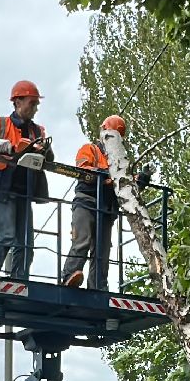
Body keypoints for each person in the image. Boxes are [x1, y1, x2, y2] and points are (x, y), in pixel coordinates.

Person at [0, 80, 52, 280]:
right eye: (32, 103)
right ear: (17, 102)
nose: (35, 108)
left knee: (26, 243)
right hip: (3, 188)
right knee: (4, 236)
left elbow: (50, 160)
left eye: (36, 104)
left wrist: (44, 151)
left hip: (25, 190)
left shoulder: (38, 131)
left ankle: (19, 280)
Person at [61, 115, 127, 289]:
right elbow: (83, 169)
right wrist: (105, 174)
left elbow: (127, 185)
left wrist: (140, 179)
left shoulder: (120, 160)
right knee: (82, 239)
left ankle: (98, 286)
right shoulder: (89, 149)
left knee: (102, 251)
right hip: (86, 201)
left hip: (106, 209)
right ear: (103, 133)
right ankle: (69, 276)